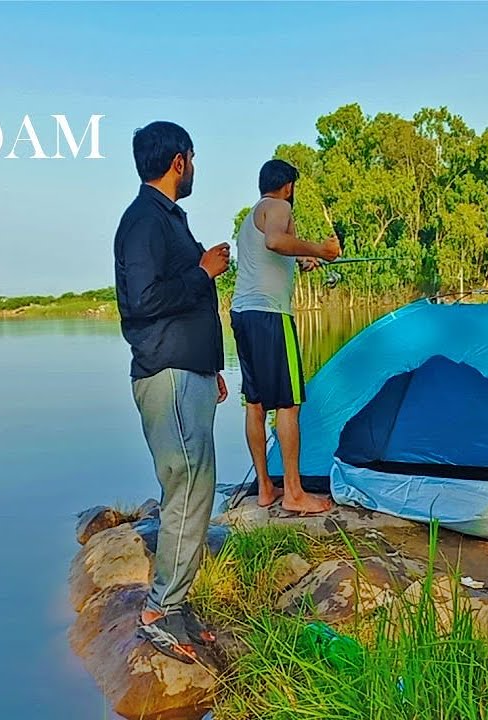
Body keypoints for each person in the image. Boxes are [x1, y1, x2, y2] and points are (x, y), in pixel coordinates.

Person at [113, 121, 231, 664]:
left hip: (190, 373)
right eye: (194, 158)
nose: (195, 168)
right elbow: (140, 303)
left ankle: (177, 605)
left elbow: (175, 304)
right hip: (166, 373)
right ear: (180, 161)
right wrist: (204, 272)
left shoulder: (167, 221)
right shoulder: (142, 222)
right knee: (185, 486)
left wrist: (212, 368)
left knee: (195, 486)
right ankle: (159, 610)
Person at [230, 159, 341, 514]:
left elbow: (272, 253)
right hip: (270, 317)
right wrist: (322, 250)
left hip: (243, 314)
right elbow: (278, 241)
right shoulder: (278, 206)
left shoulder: (252, 216)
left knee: (255, 403)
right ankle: (294, 494)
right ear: (289, 186)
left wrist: (305, 261)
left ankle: (265, 487)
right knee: (288, 404)